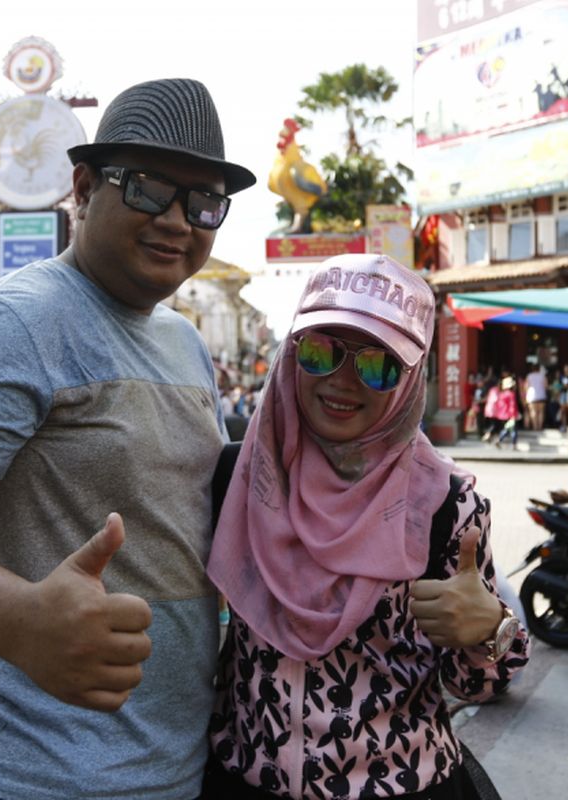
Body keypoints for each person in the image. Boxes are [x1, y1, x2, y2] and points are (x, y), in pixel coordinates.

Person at [0, 78, 256, 800]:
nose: (177, 220)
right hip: (46, 777)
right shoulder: (13, 322)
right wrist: (17, 621)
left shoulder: (185, 343)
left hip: (185, 764)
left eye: (203, 203)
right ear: (82, 185)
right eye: (148, 188)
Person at [205, 253, 528, 798]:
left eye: (379, 364)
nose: (343, 381)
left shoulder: (447, 505)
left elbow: (478, 682)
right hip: (245, 779)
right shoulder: (237, 478)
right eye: (321, 350)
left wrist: (489, 629)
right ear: (291, 353)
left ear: (409, 379)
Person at [492, 375, 519, 449]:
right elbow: (512, 406)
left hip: (503, 415)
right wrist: (514, 415)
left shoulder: (502, 394)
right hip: (510, 415)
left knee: (508, 429)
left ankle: (500, 440)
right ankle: (513, 443)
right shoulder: (511, 394)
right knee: (512, 430)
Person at [525, 364, 547, 431]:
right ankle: (540, 427)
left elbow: (526, 386)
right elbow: (545, 386)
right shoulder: (542, 376)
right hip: (541, 395)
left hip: (532, 396)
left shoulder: (529, 376)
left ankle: (535, 427)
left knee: (533, 411)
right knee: (541, 412)